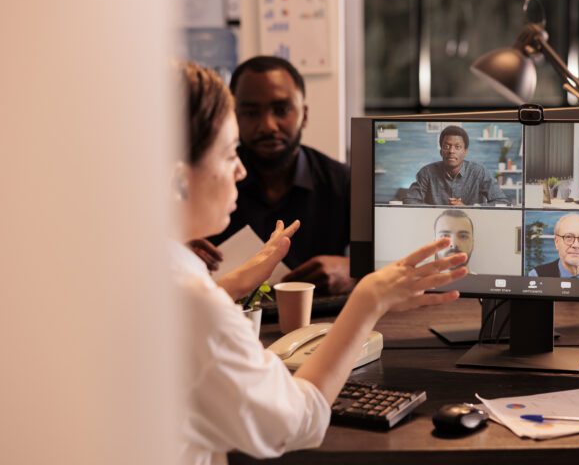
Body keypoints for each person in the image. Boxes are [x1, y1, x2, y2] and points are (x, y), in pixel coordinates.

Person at [174, 63, 468, 464]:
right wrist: (368, 300)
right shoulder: (192, 299)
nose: (239, 168)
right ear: (178, 180)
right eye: (229, 154)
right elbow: (295, 421)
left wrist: (231, 285)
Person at [191, 55, 354, 297]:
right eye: (251, 112)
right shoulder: (206, 180)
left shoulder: (345, 182)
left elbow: (396, 263)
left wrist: (353, 272)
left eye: (281, 109)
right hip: (230, 321)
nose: (268, 125)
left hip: (320, 325)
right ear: (233, 117)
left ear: (304, 114)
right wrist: (179, 252)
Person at [403, 125, 508, 206]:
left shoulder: (479, 172)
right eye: (446, 146)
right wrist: (439, 209)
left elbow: (502, 202)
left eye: (457, 147)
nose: (451, 151)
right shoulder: (427, 173)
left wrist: (469, 208)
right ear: (441, 151)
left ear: (465, 151)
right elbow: (410, 201)